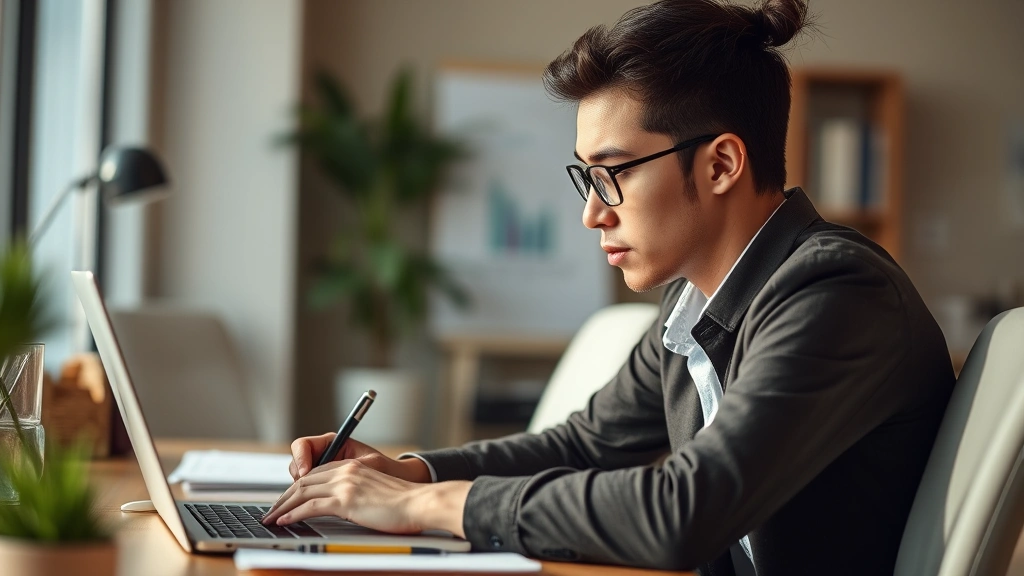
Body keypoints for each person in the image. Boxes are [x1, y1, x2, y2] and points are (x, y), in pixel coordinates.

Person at [262, 1, 955, 573]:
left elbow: (683, 513)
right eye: (586, 178)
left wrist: (429, 509)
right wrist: (409, 473)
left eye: (612, 172)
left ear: (720, 165)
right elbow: (583, 444)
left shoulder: (834, 292)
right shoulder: (694, 305)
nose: (593, 211)